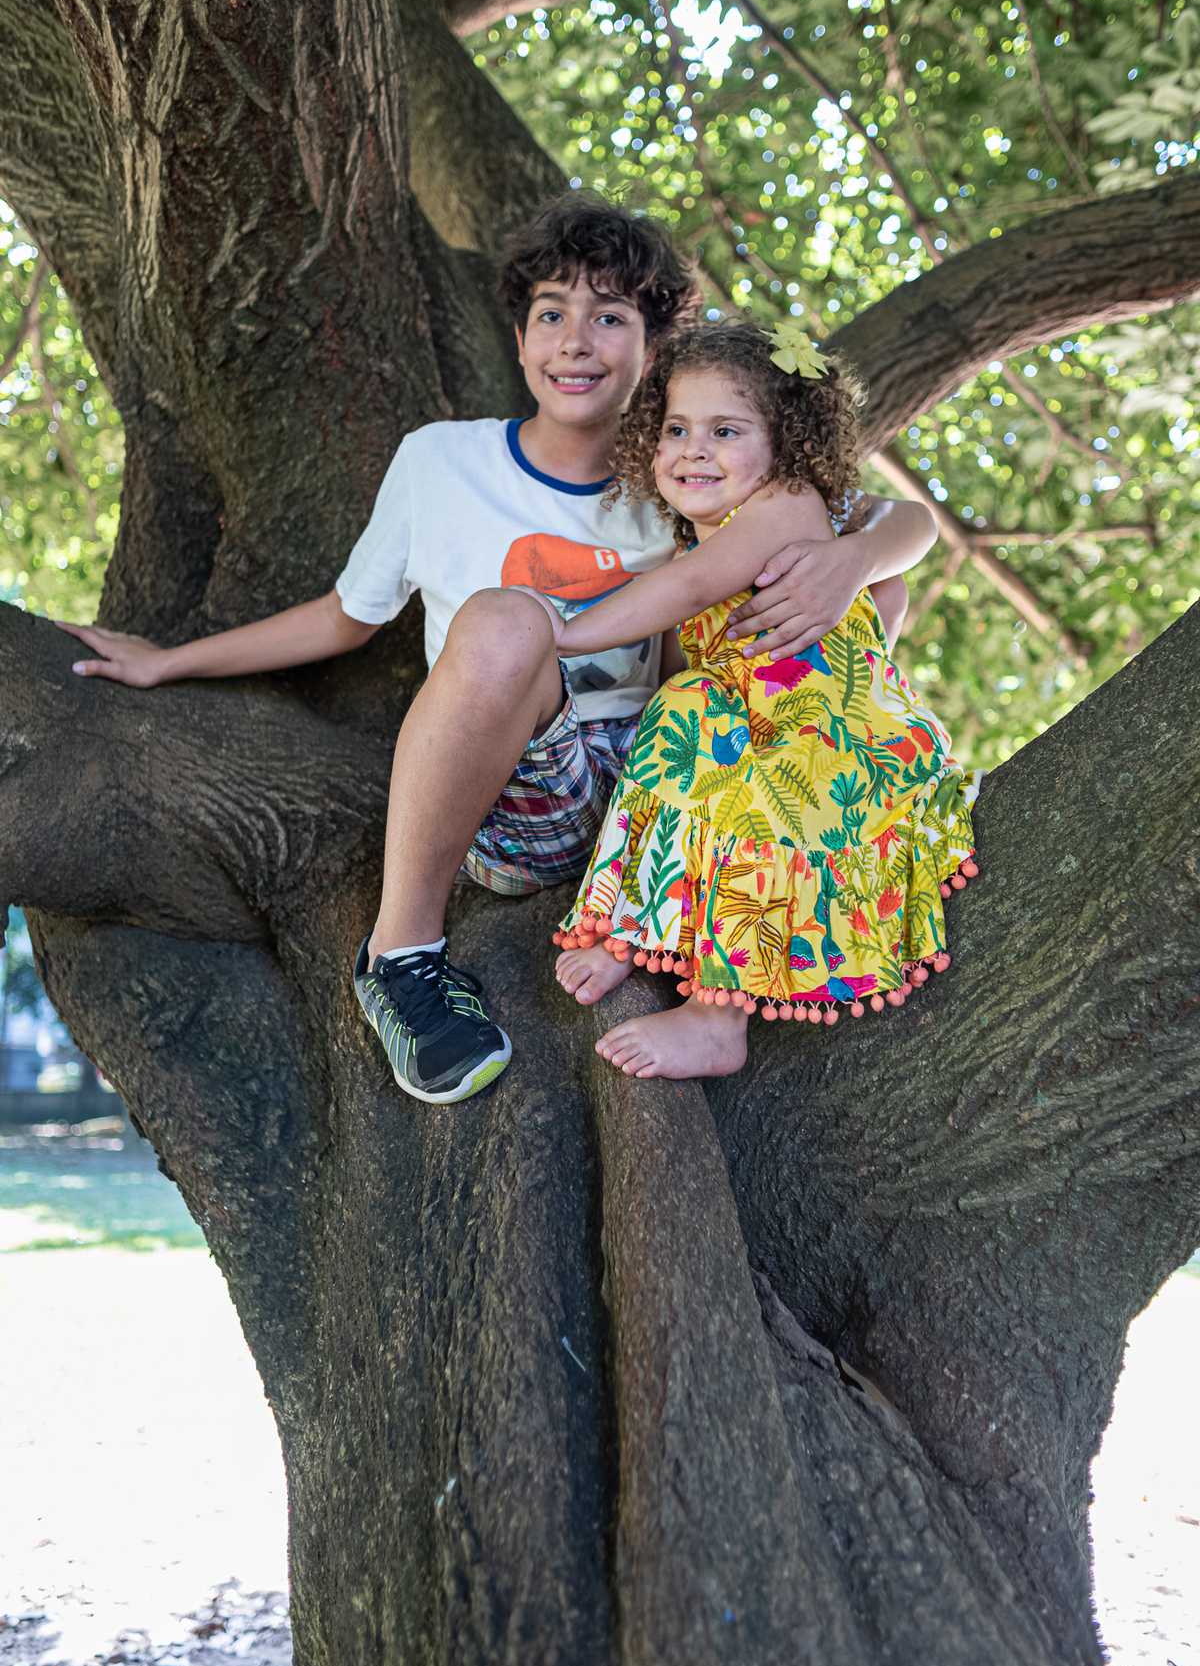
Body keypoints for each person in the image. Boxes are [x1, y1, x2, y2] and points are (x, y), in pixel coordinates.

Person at [58, 194, 939, 1105]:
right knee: (506, 618)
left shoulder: (691, 473)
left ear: (654, 348)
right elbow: (342, 617)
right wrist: (168, 660)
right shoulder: (441, 462)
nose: (576, 340)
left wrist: (855, 560)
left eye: (610, 317)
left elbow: (893, 522)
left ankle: (713, 887)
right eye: (551, 314)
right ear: (518, 340)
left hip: (674, 790)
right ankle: (401, 958)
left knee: (825, 612)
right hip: (528, 787)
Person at [514, 319, 981, 1081]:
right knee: (676, 718)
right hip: (752, 718)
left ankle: (718, 1017)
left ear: (788, 449)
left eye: (724, 430)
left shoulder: (787, 506)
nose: (693, 448)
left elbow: (684, 592)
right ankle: (630, 927)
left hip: (820, 744)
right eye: (676, 429)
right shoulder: (708, 533)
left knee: (759, 795)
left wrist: (558, 635)